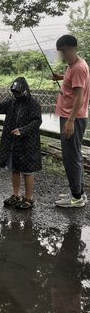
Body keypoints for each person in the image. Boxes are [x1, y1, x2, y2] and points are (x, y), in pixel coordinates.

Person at [0, 77, 42, 209]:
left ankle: (28, 199)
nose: (16, 95)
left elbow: (37, 121)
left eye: (18, 93)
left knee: (28, 171)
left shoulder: (33, 104)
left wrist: (23, 130)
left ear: (25, 91)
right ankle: (16, 195)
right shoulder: (12, 102)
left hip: (27, 143)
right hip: (13, 141)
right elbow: (0, 109)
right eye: (14, 93)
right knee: (14, 169)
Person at [53, 34, 90, 208]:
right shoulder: (73, 64)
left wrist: (70, 121)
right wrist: (61, 77)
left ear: (71, 48)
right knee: (75, 156)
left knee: (70, 158)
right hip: (72, 117)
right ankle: (79, 192)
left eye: (63, 51)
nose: (61, 55)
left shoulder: (78, 68)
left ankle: (76, 198)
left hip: (72, 118)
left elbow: (79, 98)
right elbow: (73, 81)